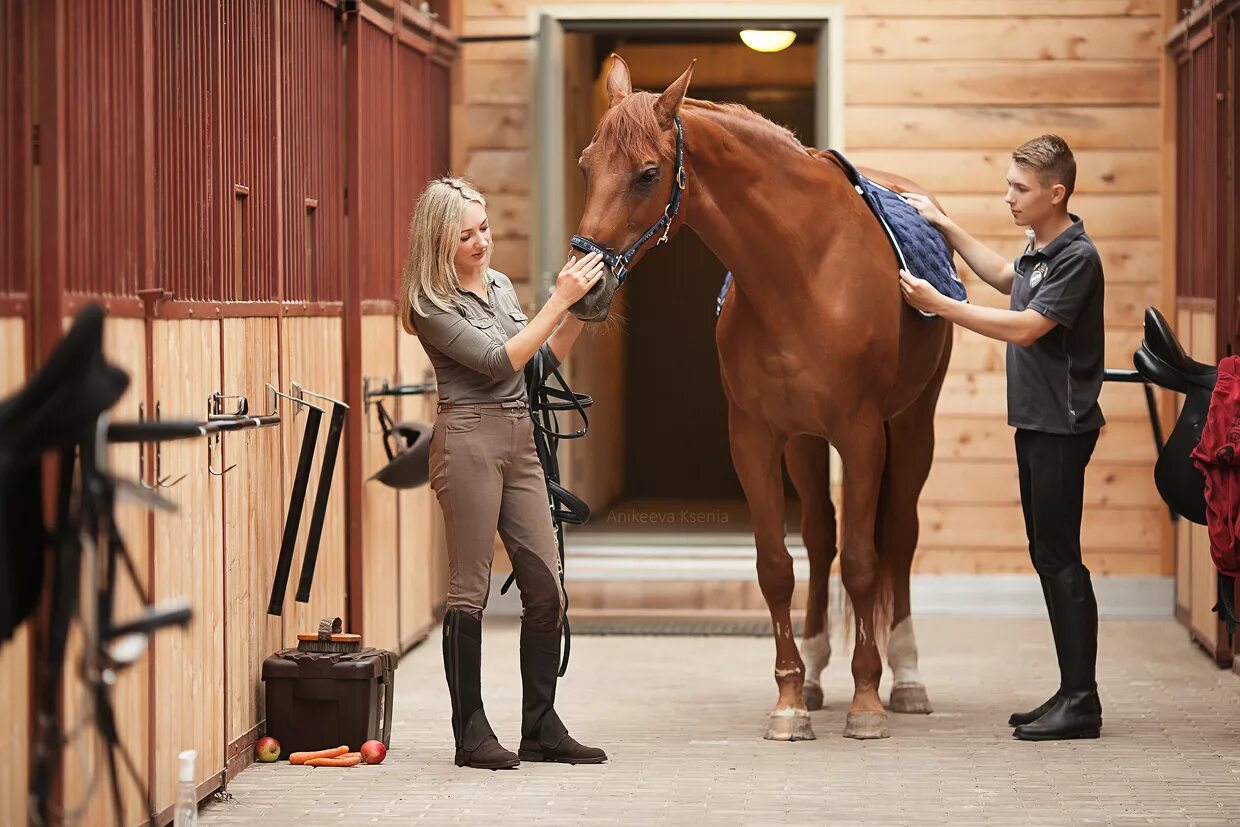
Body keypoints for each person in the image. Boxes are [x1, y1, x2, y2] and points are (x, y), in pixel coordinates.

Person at [898, 135, 1106, 741]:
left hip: (1061, 427)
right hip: (1036, 423)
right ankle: (1071, 690)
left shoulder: (1077, 257)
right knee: (1048, 555)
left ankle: (1082, 700)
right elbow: (1004, 279)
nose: (1008, 196)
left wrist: (941, 304)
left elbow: (1026, 328)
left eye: (1019, 188)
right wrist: (944, 223)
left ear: (1055, 193)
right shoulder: (1042, 250)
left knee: (1061, 557)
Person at [399, 177, 608, 768]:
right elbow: (496, 362)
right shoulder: (430, 304)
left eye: (484, 229)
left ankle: (539, 726)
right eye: (465, 235)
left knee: (545, 583)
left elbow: (534, 364)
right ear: (439, 240)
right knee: (470, 589)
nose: (480, 242)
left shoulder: (496, 286)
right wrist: (558, 301)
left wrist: (582, 311)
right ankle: (471, 733)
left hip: (519, 439)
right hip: (468, 435)